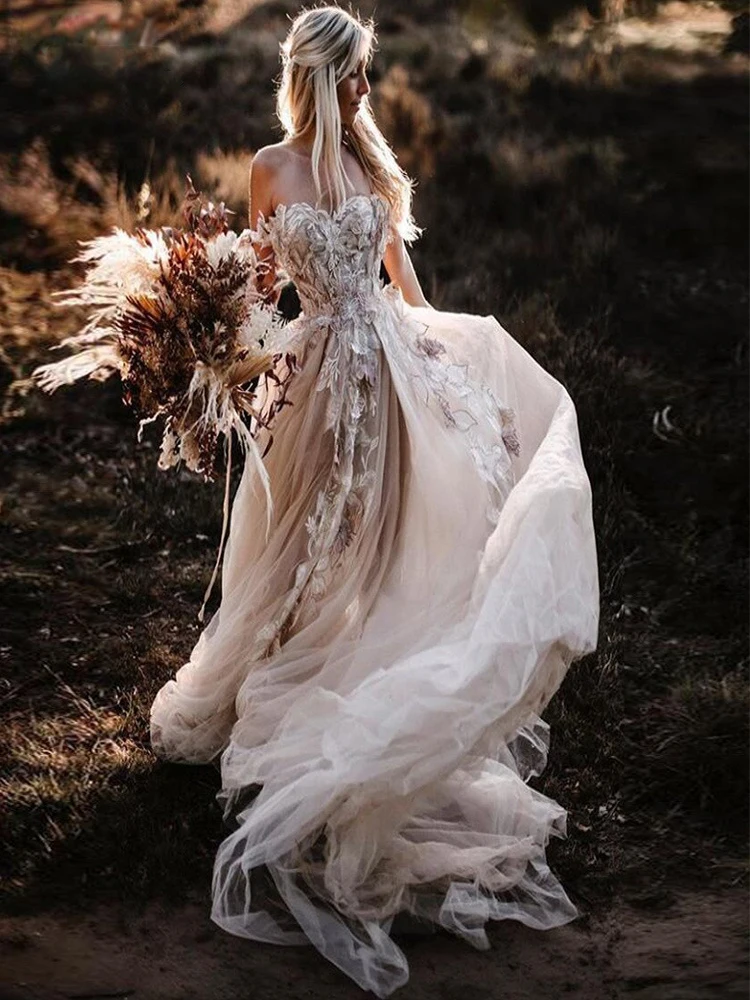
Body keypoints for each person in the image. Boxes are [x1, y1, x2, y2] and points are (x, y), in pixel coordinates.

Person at [149, 5, 600, 996]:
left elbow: (402, 278)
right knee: (301, 538)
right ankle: (272, 679)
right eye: (353, 77)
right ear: (318, 75)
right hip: (312, 375)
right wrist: (229, 361)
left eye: (366, 76)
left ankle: (364, 665)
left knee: (379, 535)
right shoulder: (273, 165)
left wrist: (449, 358)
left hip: (386, 369)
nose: (364, 91)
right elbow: (265, 283)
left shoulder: (368, 165)